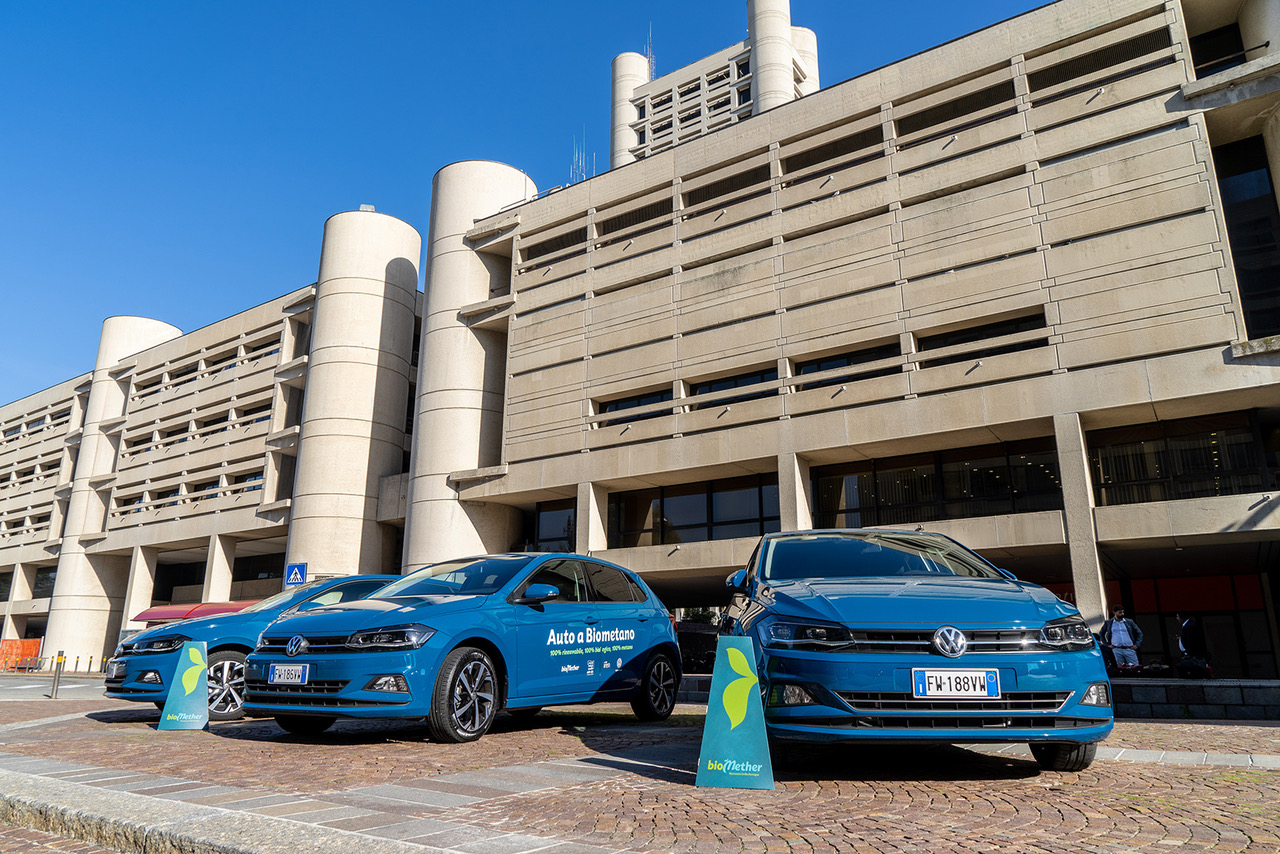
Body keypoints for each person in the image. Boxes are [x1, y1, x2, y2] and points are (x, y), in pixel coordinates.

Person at [1100, 606, 1143, 671]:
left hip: (1129, 648)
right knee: (1118, 668)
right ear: (1114, 612)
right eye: (1120, 612)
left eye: (1123, 612)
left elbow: (1139, 633)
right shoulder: (1109, 623)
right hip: (1116, 649)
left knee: (1135, 667)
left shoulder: (1129, 622)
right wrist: (1106, 645)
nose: (1122, 614)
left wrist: (1137, 644)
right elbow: (1101, 633)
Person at [1175, 611, 1212, 679]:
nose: (1177, 618)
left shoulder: (1190, 626)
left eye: (1177, 616)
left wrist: (1182, 640)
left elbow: (1191, 642)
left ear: (1182, 617)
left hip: (1194, 657)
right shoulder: (1190, 625)